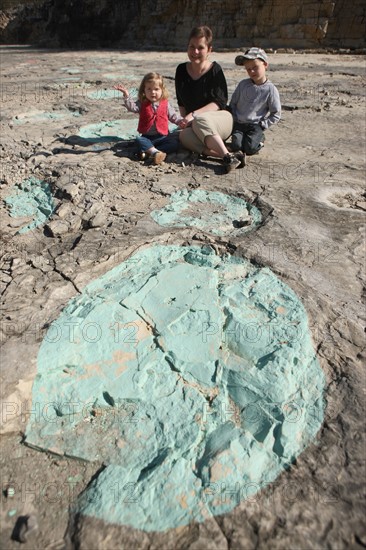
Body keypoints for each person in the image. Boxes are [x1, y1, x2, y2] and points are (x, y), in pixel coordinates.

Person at [175, 25, 241, 173]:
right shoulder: (181, 70)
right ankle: (229, 155)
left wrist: (193, 115)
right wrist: (184, 122)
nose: (195, 52)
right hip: (197, 125)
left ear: (209, 50)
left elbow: (219, 102)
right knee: (183, 135)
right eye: (192, 47)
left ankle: (227, 157)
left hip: (221, 120)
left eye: (200, 48)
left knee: (200, 120)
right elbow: (181, 102)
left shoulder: (215, 70)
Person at [114, 72, 184, 164]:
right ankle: (154, 152)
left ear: (162, 90)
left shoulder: (165, 104)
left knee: (174, 144)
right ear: (144, 90)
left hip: (163, 136)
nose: (153, 92)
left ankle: (151, 152)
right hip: (147, 137)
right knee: (139, 140)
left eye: (156, 89)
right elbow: (133, 108)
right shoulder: (142, 103)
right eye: (149, 89)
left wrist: (181, 122)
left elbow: (173, 116)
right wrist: (126, 95)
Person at [229, 47, 281, 159]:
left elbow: (276, 114)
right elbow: (233, 103)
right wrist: (233, 117)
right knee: (236, 146)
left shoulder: (270, 90)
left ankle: (260, 139)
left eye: (255, 67)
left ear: (265, 65)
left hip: (255, 125)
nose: (251, 71)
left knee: (250, 149)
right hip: (239, 123)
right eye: (248, 69)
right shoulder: (243, 85)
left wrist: (263, 125)